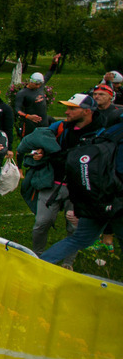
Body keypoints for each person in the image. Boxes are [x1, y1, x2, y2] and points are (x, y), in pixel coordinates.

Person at [39, 94, 116, 266]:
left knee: (79, 236)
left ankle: (43, 265)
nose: (66, 112)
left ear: (87, 111)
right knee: (78, 237)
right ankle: (38, 265)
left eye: (72, 108)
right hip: (82, 192)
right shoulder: (64, 127)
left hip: (99, 195)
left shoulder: (104, 135)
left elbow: (96, 175)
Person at [16, 72, 49, 138]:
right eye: (36, 84)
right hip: (29, 124)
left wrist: (54, 63)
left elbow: (50, 72)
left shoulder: (40, 87)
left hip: (43, 123)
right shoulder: (22, 93)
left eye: (40, 84)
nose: (38, 86)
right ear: (31, 81)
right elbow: (17, 109)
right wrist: (28, 116)